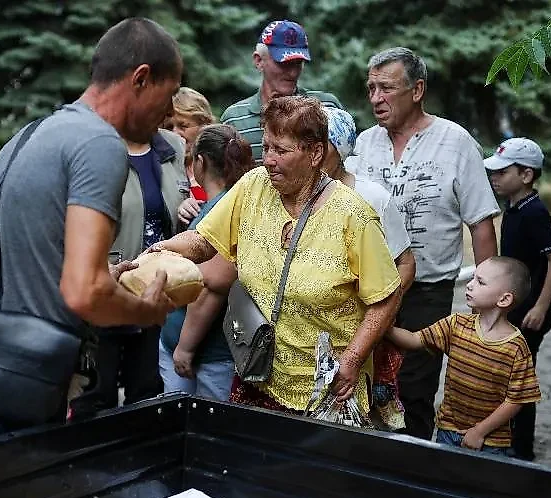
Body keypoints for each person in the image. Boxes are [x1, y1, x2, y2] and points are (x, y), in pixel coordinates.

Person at [0, 18, 181, 434]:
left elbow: (33, 259)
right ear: (141, 78)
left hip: (10, 365)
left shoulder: (31, 136)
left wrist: (100, 274)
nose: (170, 112)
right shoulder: (100, 144)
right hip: (52, 382)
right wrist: (146, 310)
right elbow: (83, 292)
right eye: (171, 95)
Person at [153, 96, 402, 417]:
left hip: (326, 389)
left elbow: (386, 297)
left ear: (315, 154)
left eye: (281, 150)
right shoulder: (254, 186)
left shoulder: (353, 216)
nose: (268, 159)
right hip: (258, 375)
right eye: (267, 146)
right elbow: (203, 242)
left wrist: (352, 360)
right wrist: (158, 250)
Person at [353, 46, 500, 441]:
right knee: (365, 389)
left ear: (417, 90)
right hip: (365, 291)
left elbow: (481, 225)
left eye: (387, 88)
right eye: (371, 88)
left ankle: (413, 474)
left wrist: (488, 303)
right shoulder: (364, 144)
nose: (376, 99)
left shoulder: (454, 142)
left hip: (427, 293)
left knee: (414, 393)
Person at [73, 124, 189, 414]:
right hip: (108, 286)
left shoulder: (172, 146)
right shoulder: (96, 147)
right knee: (96, 394)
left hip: (158, 289)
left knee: (147, 393)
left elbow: (175, 200)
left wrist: (188, 209)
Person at [386, 257, 541, 455]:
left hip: (491, 440)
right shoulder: (456, 325)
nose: (469, 284)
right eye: (473, 278)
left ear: (504, 299)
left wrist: (479, 431)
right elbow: (415, 340)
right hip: (448, 431)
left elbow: (516, 400)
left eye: (480, 282)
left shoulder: (516, 347)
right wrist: (383, 327)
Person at [321, 106, 415, 430]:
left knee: (367, 418)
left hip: (366, 336)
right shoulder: (297, 193)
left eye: (320, 143)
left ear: (340, 148)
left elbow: (405, 263)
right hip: (315, 336)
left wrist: (379, 314)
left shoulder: (371, 196)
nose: (311, 152)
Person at [484, 138, 551, 461]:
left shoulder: (534, 212)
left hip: (533, 312)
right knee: (508, 374)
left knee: (519, 381)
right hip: (516, 308)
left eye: (503, 173)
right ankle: (509, 437)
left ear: (526, 175)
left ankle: (522, 449)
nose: (495, 178)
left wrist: (541, 306)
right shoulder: (514, 208)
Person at [159, 124, 255, 400]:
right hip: (205, 350)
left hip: (208, 353)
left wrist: (185, 347)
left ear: (200, 162)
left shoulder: (226, 208)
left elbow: (212, 284)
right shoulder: (225, 203)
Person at [220, 20, 344, 164]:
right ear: (258, 61)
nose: (292, 73)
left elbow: (346, 167)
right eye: (283, 63)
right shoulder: (234, 119)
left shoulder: (327, 107)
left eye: (298, 63)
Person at [166, 87, 216, 201]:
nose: (174, 133)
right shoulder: (161, 168)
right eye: (169, 127)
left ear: (204, 125)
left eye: (183, 126)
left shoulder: (217, 166)